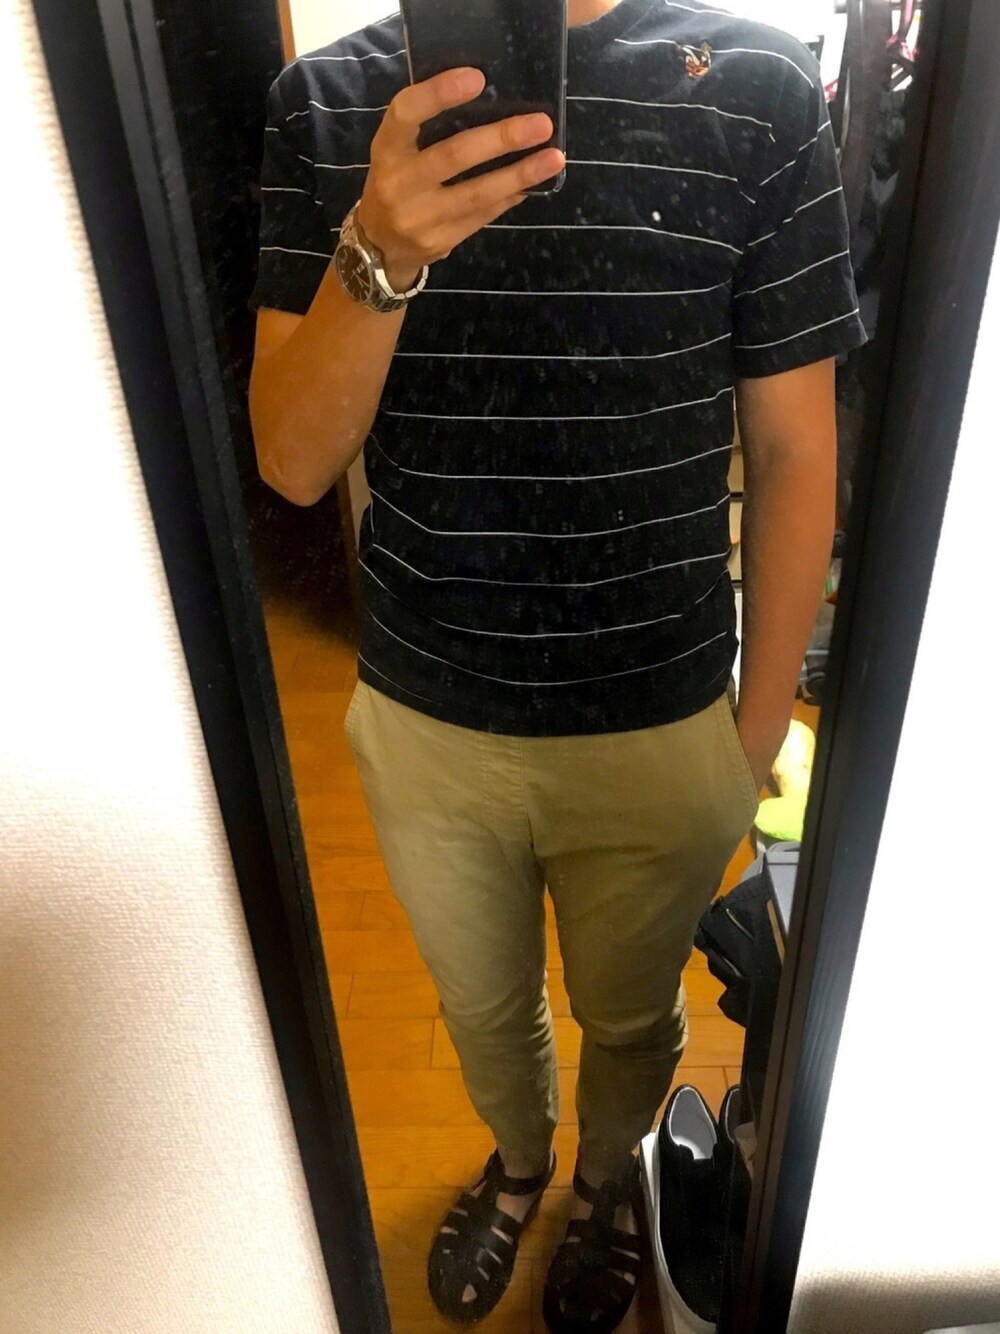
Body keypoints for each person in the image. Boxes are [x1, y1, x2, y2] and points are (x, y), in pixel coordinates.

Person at [248, 0, 864, 1328]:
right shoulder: (332, 104)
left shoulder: (760, 91)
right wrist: (377, 253)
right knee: (481, 1008)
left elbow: (796, 447)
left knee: (632, 1014)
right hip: (426, 713)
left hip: (663, 715)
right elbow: (292, 461)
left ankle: (604, 1180)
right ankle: (522, 1166)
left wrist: (753, 742)